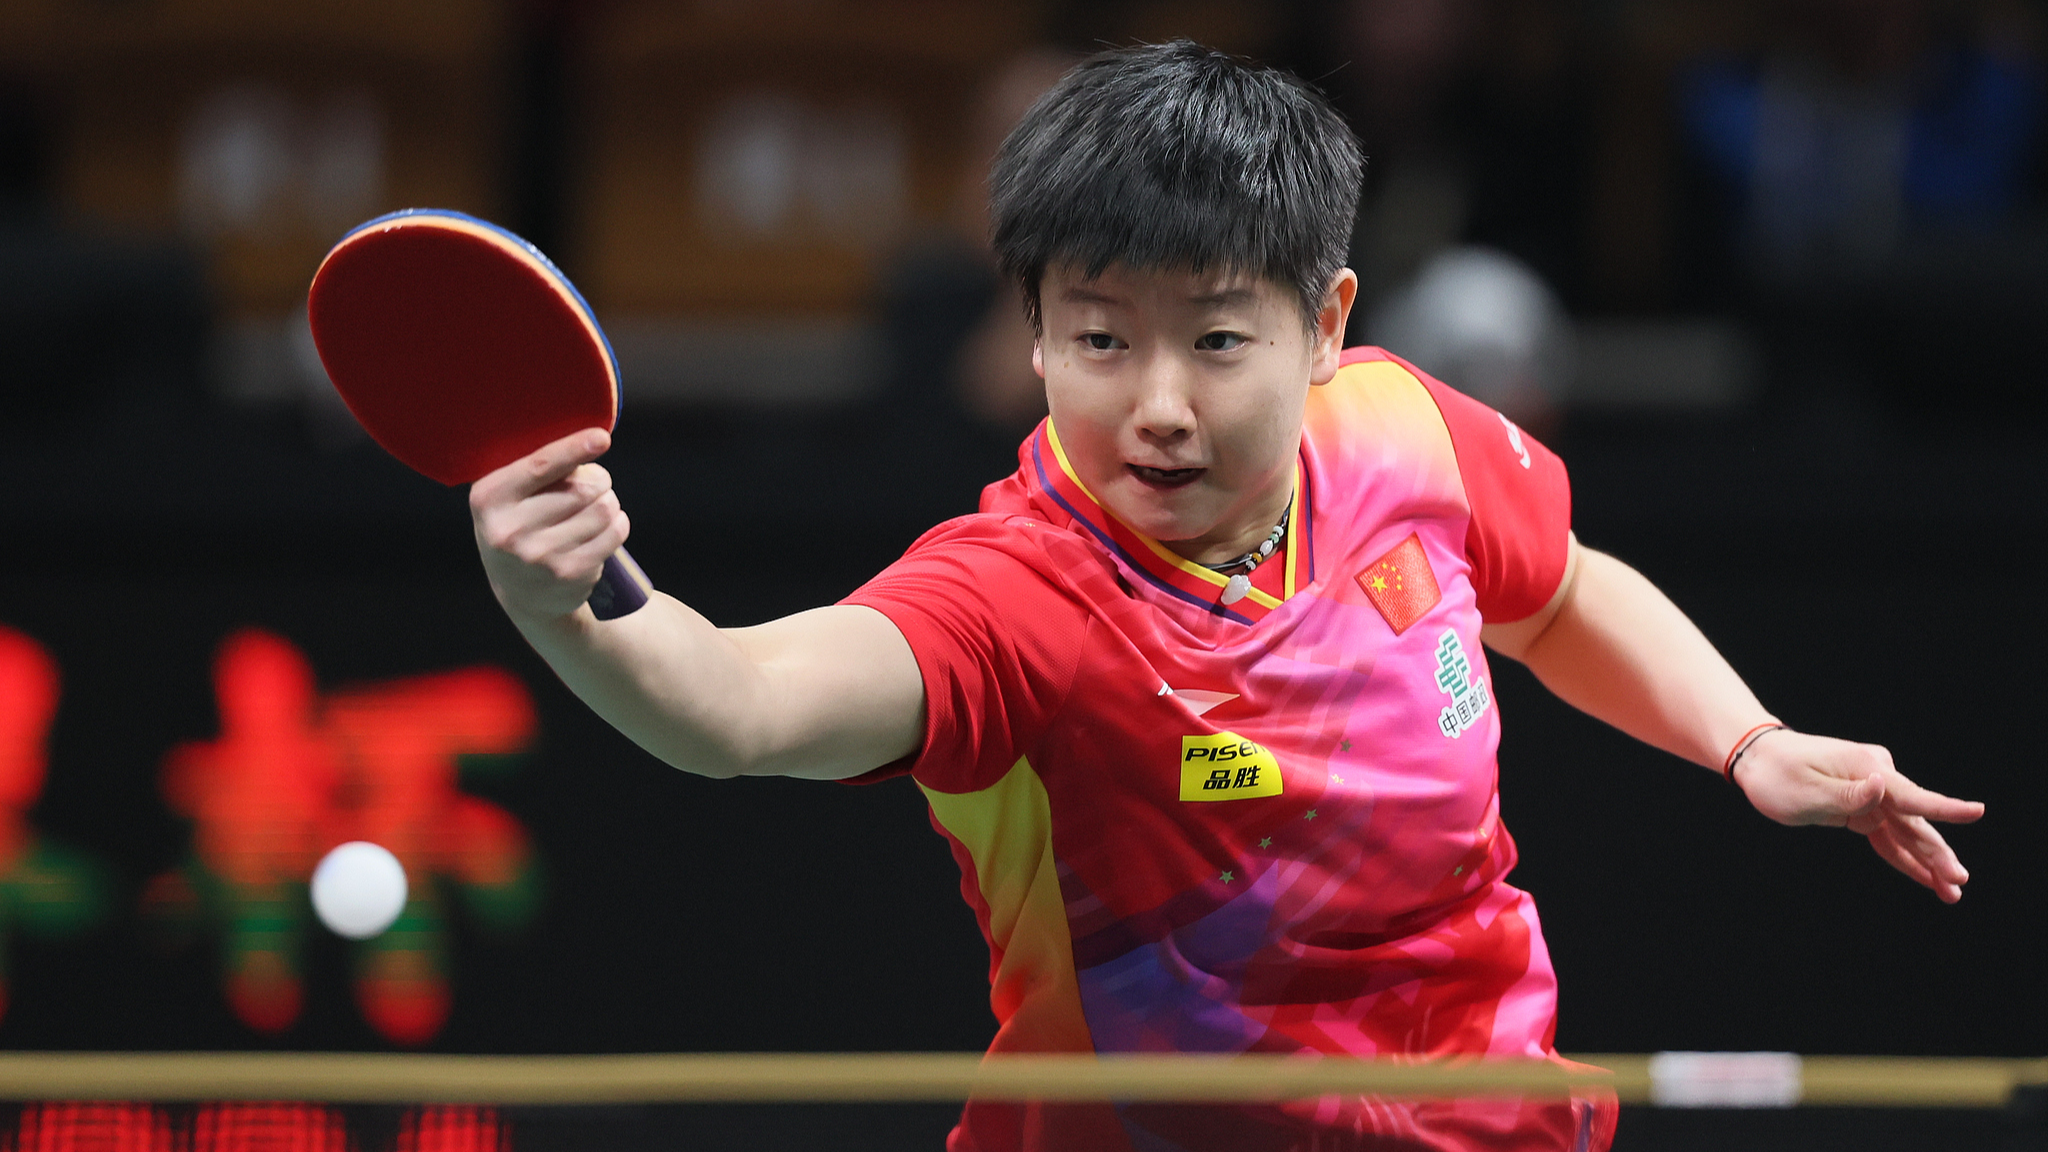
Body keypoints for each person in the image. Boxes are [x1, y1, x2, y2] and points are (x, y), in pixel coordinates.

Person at [467, 42, 1982, 1152]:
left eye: (1218, 340)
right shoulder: (1016, 600)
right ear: (1037, 335)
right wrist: (575, 610)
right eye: (1104, 339)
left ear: (1325, 324)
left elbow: (1562, 592)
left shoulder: (1404, 433)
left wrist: (1747, 741)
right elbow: (734, 707)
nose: (1162, 407)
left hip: (1486, 1125)